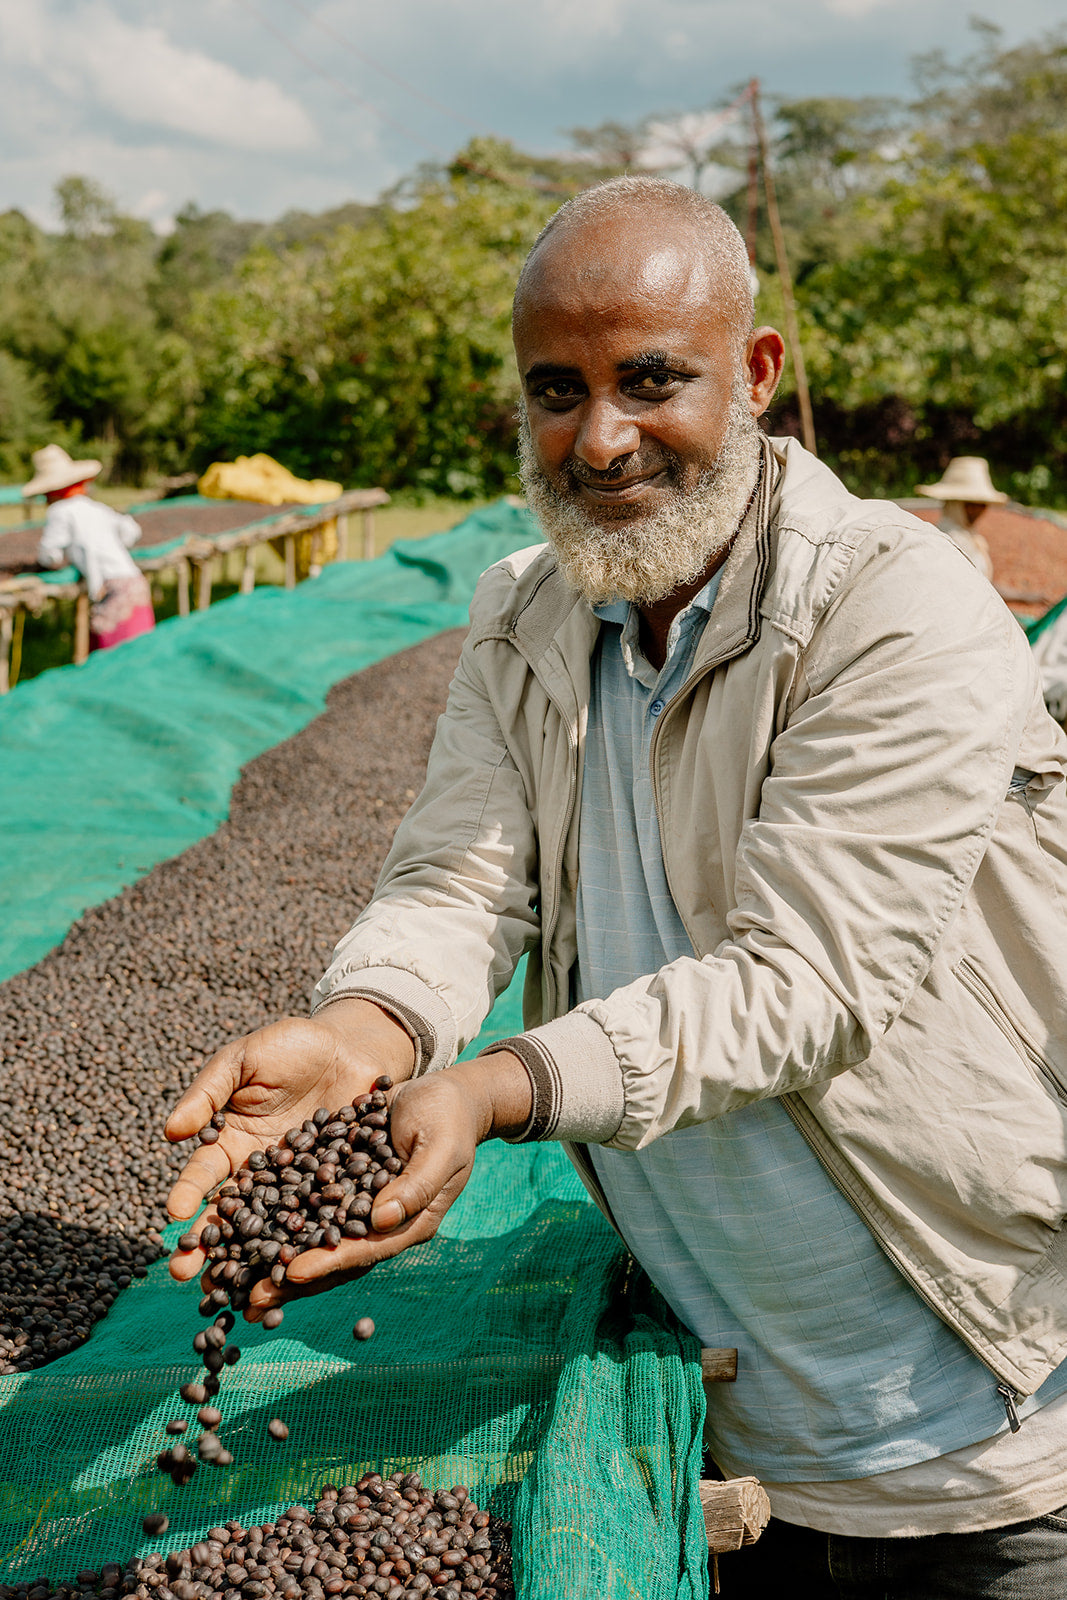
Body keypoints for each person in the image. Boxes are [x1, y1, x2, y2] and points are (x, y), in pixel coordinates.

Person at [166, 178, 1067, 1599]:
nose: (598, 438)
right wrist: (366, 1034)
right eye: (554, 389)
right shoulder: (524, 612)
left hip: (985, 1428)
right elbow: (457, 877)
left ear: (755, 374)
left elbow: (804, 984)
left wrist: (495, 1087)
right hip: (727, 1429)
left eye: (650, 379)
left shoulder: (891, 603)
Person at [24, 444, 155, 650]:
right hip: (135, 583)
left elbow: (50, 554)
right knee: (138, 655)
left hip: (114, 590)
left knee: (113, 660)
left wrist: (48, 562)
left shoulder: (60, 511)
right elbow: (130, 531)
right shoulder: (96, 507)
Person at [915, 455, 1006, 581]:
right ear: (955, 504)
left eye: (982, 505)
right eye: (971, 505)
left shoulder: (967, 536)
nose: (978, 510)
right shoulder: (952, 538)